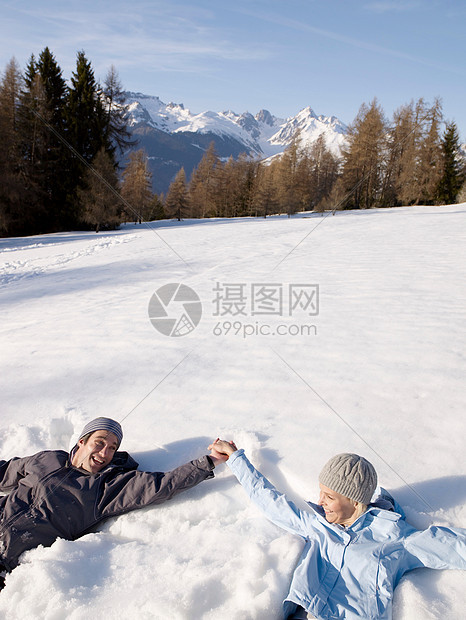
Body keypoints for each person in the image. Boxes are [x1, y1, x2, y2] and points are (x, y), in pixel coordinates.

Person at [210, 440, 466, 620]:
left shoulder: (394, 537)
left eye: (329, 497)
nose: (319, 501)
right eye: (320, 492)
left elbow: (451, 545)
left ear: (355, 501)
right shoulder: (318, 525)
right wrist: (236, 458)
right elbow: (271, 502)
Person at [0, 417, 226, 586]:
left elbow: (163, 485)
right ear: (82, 442)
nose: (104, 452)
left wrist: (210, 461)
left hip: (7, 559)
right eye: (99, 443)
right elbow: (5, 472)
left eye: (112, 447)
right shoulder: (47, 459)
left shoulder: (108, 486)